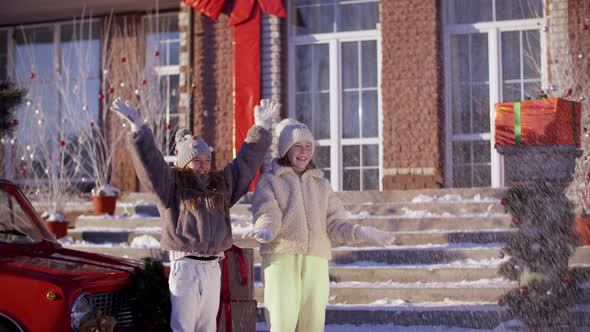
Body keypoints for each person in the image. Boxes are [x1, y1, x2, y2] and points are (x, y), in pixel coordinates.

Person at [111, 97, 278, 332]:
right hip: (185, 267)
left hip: (212, 268)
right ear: (184, 162)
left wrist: (259, 131)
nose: (203, 165)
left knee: (207, 327)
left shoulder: (220, 185)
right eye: (196, 161)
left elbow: (244, 165)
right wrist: (140, 131)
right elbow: (151, 165)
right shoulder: (171, 185)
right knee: (183, 327)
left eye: (206, 160)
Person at [249, 119, 396, 332]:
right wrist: (266, 228)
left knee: (313, 325)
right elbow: (267, 212)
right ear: (285, 150)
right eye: (297, 146)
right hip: (282, 256)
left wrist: (360, 232)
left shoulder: (321, 184)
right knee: (282, 323)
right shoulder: (270, 181)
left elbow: (335, 222)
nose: (304, 151)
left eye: (308, 146)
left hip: (316, 259)